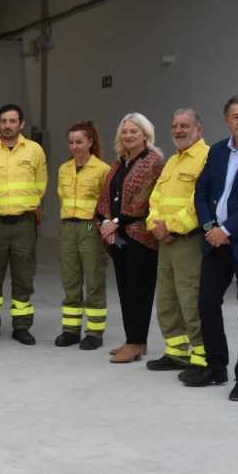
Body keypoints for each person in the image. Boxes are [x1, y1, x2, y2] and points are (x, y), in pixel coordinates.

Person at [186, 95, 238, 402]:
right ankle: (216, 367)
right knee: (206, 304)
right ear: (227, 120)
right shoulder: (218, 150)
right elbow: (202, 190)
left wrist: (227, 229)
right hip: (215, 244)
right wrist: (209, 227)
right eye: (236, 116)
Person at [0, 104, 47, 345]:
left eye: (12, 121)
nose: (7, 125)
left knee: (24, 276)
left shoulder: (35, 151)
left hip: (24, 224)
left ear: (21, 124)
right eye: (3, 121)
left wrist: (25, 204)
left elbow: (40, 184)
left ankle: (21, 326)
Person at [97, 113, 165, 365]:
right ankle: (134, 340)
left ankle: (136, 342)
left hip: (141, 237)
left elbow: (145, 200)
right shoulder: (119, 163)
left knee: (139, 291)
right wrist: (104, 220)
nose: (128, 135)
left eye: (134, 131)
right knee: (125, 289)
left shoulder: (153, 161)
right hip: (119, 237)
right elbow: (107, 196)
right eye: (124, 131)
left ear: (146, 134)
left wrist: (115, 222)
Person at [145, 109, 209, 372]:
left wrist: (169, 226)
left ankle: (202, 356)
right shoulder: (172, 161)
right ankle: (176, 352)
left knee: (190, 298)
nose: (179, 130)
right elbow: (155, 199)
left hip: (188, 240)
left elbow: (200, 202)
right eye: (175, 126)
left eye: (185, 125)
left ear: (199, 129)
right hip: (166, 241)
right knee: (167, 299)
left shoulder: (207, 157)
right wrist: (155, 225)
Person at [54, 122, 111, 351]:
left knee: (94, 279)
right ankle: (71, 330)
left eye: (79, 142)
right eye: (71, 142)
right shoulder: (64, 169)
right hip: (68, 227)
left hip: (90, 228)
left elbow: (106, 203)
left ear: (90, 142)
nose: (75, 146)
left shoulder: (102, 169)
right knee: (70, 279)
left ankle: (95, 332)